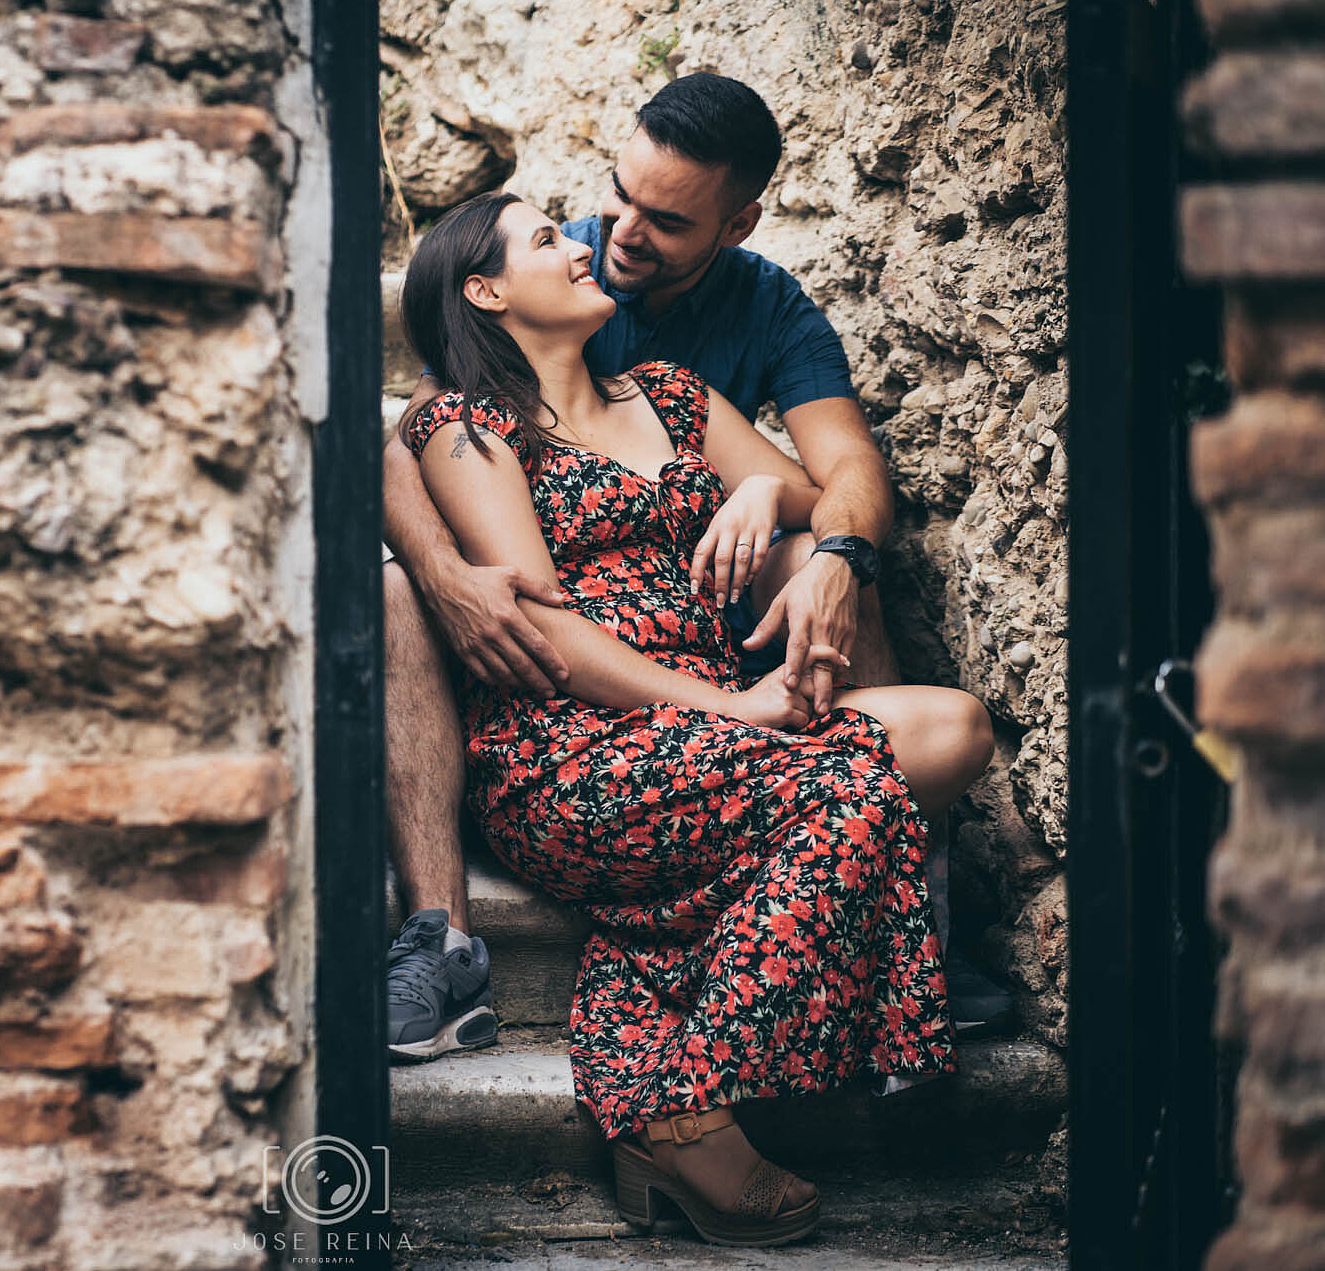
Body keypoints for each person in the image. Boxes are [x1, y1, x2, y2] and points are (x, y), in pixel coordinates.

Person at [394, 188, 992, 1245]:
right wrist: (731, 704)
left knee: (953, 728)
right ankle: (680, 1110)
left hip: (707, 738)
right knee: (860, 788)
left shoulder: (670, 394)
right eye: (546, 240)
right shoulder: (464, 425)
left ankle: (663, 975)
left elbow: (825, 491)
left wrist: (762, 494)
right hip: (571, 750)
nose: (579, 248)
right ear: (485, 290)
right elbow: (549, 637)